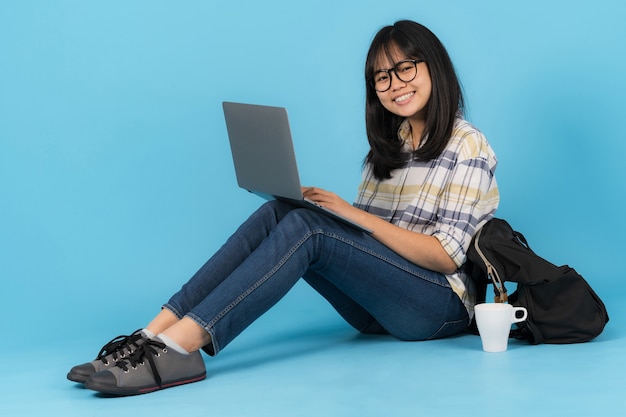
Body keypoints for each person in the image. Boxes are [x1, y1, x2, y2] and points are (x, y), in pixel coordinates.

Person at [67, 19, 499, 396]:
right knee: (282, 213)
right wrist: (330, 213)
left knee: (310, 229)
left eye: (406, 67)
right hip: (379, 310)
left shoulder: (467, 144)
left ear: (434, 68)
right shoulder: (384, 151)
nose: (395, 83)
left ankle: (181, 348)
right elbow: (370, 252)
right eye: (381, 77)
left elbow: (446, 256)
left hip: (439, 307)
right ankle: (149, 335)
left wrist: (347, 215)